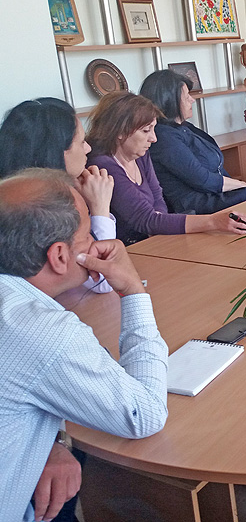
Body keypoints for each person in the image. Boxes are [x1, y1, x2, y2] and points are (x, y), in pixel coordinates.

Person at [0, 168, 169, 522]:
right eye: (88, 233)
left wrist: (49, 444)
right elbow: (145, 415)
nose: (95, 242)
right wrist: (132, 290)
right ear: (60, 256)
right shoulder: (43, 331)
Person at [86, 92, 246, 245]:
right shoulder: (103, 165)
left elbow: (158, 197)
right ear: (120, 132)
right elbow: (144, 219)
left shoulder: (139, 153)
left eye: (153, 129)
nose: (153, 138)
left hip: (155, 239)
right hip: (132, 248)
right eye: (146, 131)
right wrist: (213, 221)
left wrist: (158, 224)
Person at [0, 98, 115, 294]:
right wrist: (100, 208)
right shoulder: (34, 206)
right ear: (56, 152)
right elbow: (102, 278)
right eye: (81, 142)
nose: (88, 148)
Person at [139, 70, 246, 215]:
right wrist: (242, 185)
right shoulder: (164, 137)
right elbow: (202, 179)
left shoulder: (184, 127)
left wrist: (241, 187)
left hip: (216, 194)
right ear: (169, 101)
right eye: (186, 97)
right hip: (200, 204)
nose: (192, 100)